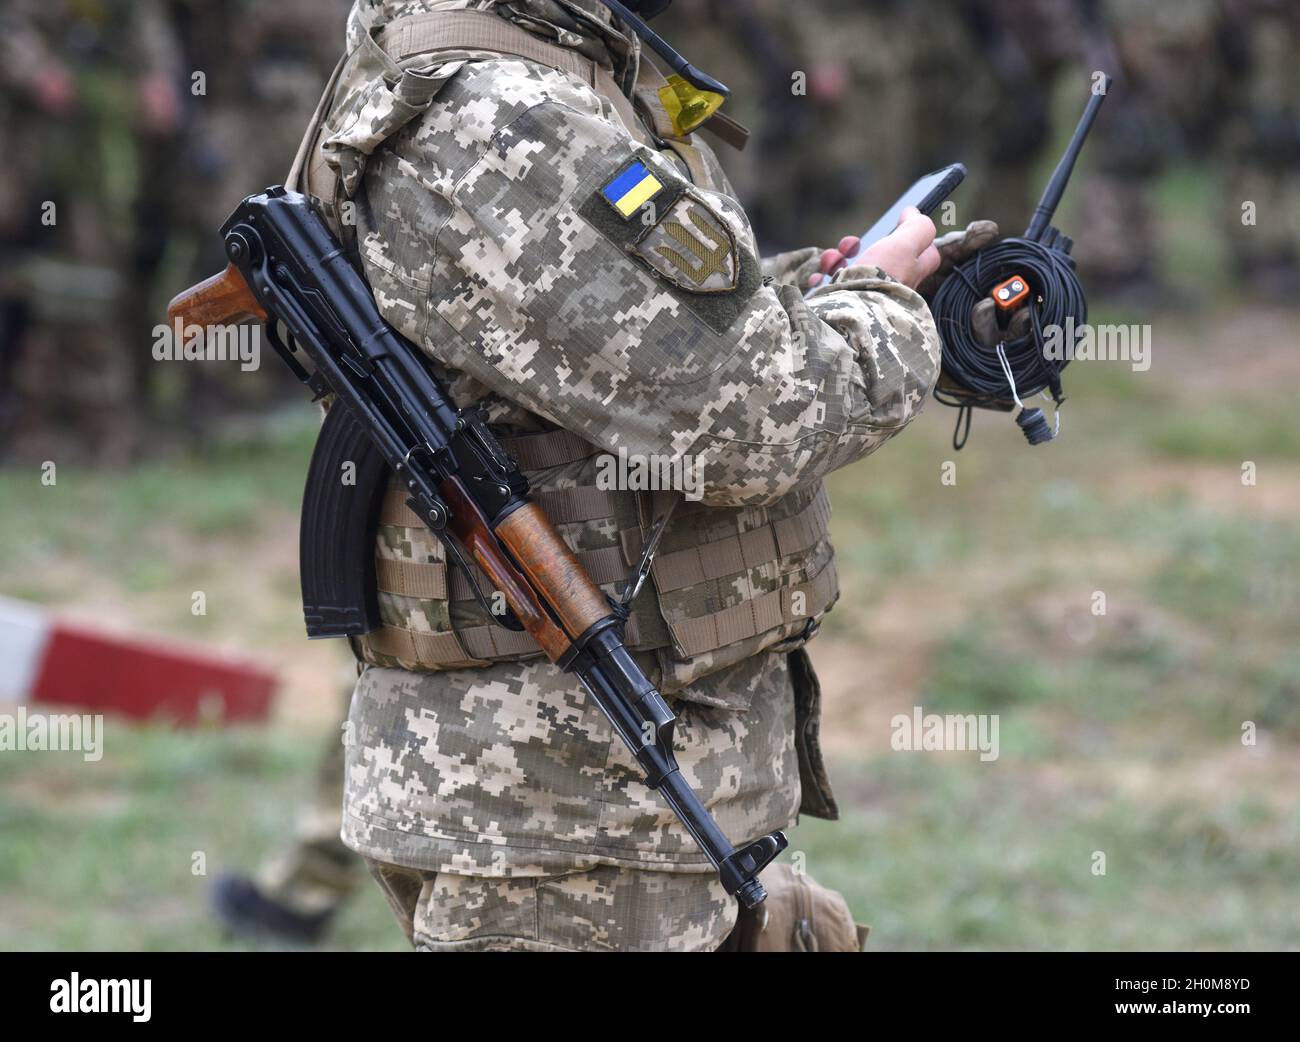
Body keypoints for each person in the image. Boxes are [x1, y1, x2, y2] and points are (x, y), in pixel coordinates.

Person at [284, 0, 986, 952]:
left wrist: (795, 301)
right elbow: (752, 421)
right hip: (573, 823)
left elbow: (581, 356)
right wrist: (892, 309)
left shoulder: (539, 54)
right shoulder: (498, 108)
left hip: (625, 798)